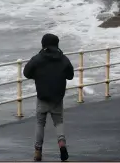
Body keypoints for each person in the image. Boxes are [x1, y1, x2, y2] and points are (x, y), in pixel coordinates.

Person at [23, 33, 74, 162]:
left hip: (42, 97)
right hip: (57, 97)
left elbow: (26, 72)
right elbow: (70, 75)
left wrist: (37, 75)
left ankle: (38, 151)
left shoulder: (38, 58)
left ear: (43, 44)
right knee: (59, 122)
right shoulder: (63, 59)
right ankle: (62, 143)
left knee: (40, 123)